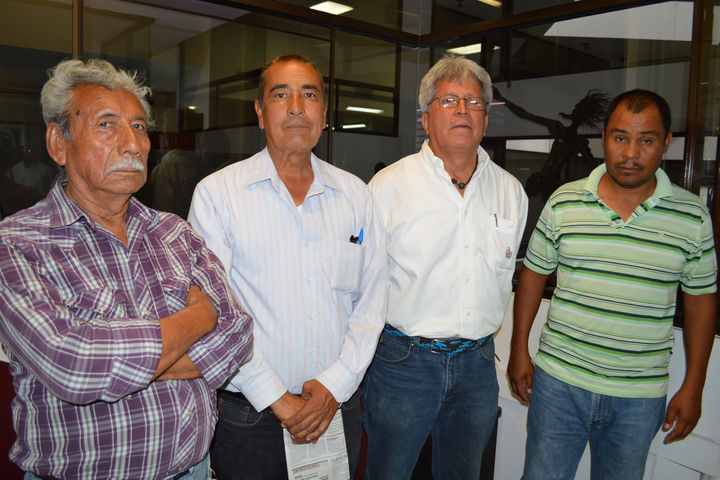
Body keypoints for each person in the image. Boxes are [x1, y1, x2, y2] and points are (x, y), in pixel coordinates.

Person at [0, 58, 253, 480]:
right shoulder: (19, 243)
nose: (133, 144)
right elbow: (74, 363)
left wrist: (121, 363)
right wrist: (199, 317)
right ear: (58, 143)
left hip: (192, 470)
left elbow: (237, 337)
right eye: (106, 124)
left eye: (139, 127)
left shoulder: (174, 232)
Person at [188, 54, 387, 479]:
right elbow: (213, 314)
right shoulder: (218, 195)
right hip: (250, 417)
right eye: (281, 95)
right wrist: (277, 398)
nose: (296, 107)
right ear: (260, 113)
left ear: (324, 114)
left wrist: (335, 384)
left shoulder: (356, 196)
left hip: (336, 408)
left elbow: (371, 304)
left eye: (309, 95)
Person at [509, 89, 717, 480]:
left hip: (638, 396)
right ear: (604, 137)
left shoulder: (692, 216)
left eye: (646, 140)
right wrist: (519, 347)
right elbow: (534, 273)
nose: (631, 153)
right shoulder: (564, 201)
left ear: (666, 142)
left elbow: (701, 301)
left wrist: (694, 385)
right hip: (559, 382)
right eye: (620, 138)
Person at [362, 54, 528, 480]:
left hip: (477, 366)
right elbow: (361, 283)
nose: (462, 111)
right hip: (403, 364)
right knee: (389, 472)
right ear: (426, 118)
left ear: (485, 121)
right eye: (449, 100)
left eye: (474, 103)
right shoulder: (387, 187)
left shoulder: (510, 191)